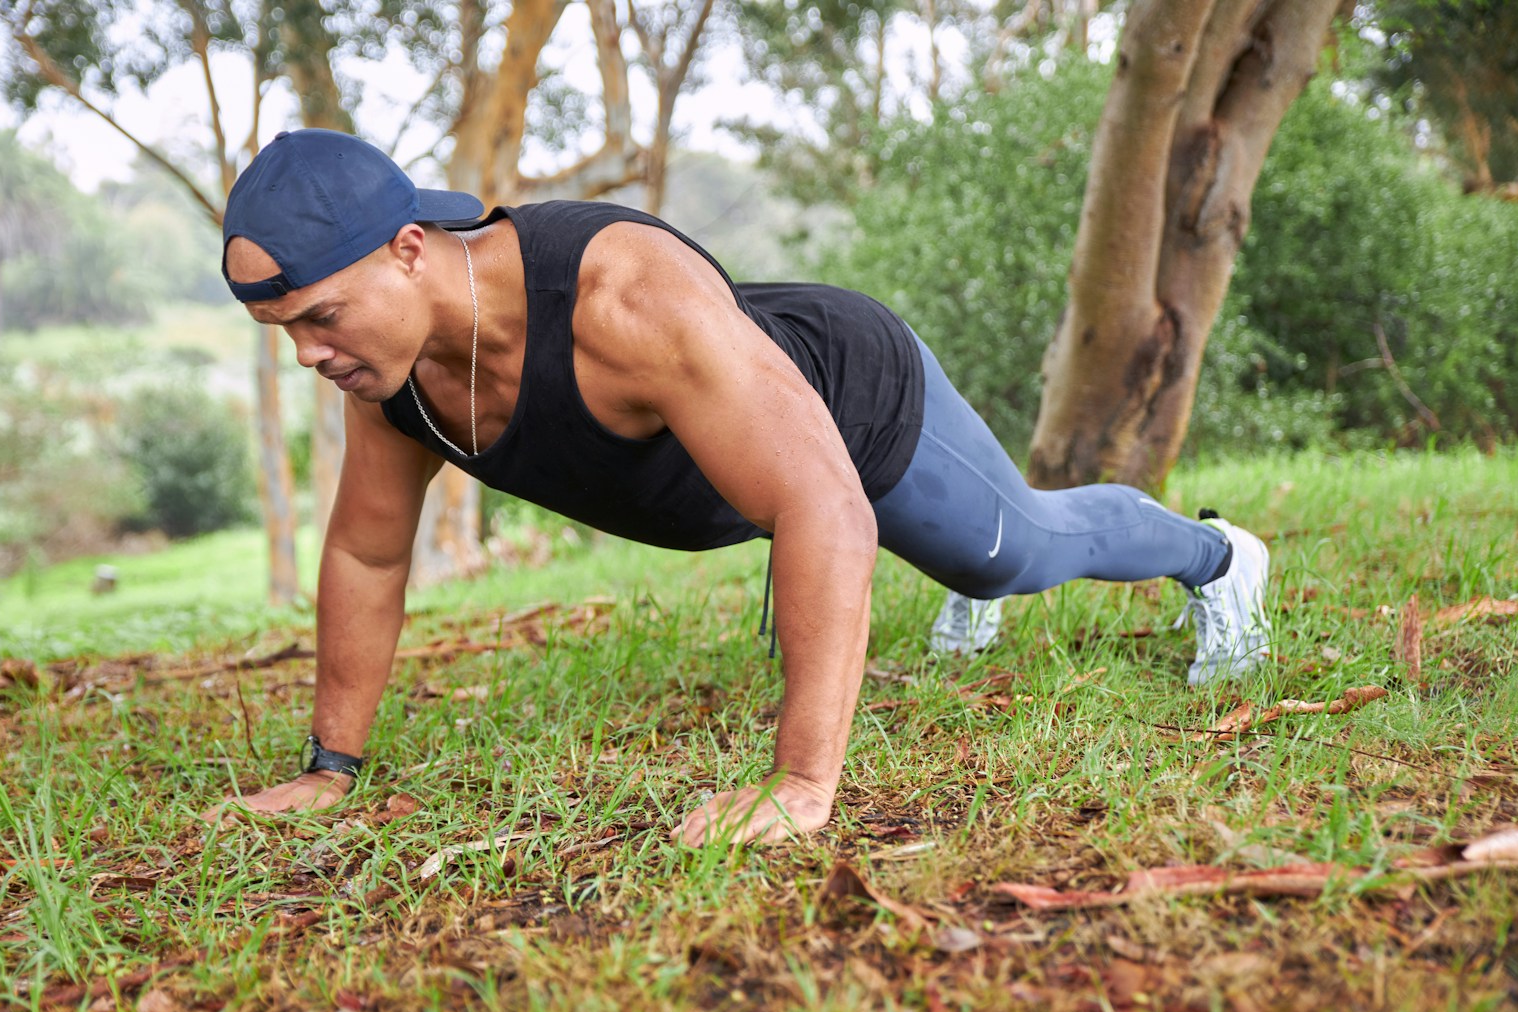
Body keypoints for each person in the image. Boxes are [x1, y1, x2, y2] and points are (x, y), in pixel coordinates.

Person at [206, 130, 1271, 845]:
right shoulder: (394, 379)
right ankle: (957, 576)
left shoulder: (620, 298)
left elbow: (821, 504)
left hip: (847, 403)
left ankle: (1217, 556)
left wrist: (800, 783)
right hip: (764, 448)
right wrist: (330, 766)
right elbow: (366, 552)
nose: (307, 354)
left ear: (405, 251)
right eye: (284, 330)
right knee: (945, 555)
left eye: (319, 318)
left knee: (1016, 552)